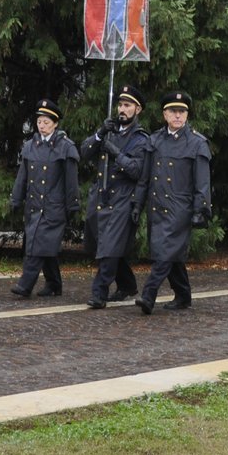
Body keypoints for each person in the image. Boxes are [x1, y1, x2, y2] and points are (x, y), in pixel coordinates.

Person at [134, 91, 212, 314]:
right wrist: (137, 205)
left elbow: (202, 182)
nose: (178, 116)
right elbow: (145, 177)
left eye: (182, 111)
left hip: (180, 208)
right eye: (173, 111)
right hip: (157, 207)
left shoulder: (197, 143)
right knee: (170, 253)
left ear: (187, 115)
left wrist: (201, 210)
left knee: (164, 252)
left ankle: (149, 295)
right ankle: (183, 295)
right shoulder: (155, 140)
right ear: (164, 114)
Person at [80, 84, 151, 308]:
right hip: (101, 196)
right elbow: (84, 153)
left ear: (137, 110)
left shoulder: (141, 139)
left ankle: (99, 294)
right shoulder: (108, 131)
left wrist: (116, 153)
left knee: (109, 248)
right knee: (100, 245)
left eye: (127, 105)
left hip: (123, 198)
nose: (122, 109)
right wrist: (100, 134)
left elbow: (138, 171)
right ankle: (128, 284)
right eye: (120, 104)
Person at [8, 98, 80, 298]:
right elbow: (22, 176)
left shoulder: (65, 147)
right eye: (39, 122)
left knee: (38, 244)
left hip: (54, 206)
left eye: (46, 122)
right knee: (42, 244)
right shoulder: (30, 146)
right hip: (34, 205)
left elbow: (71, 181)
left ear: (55, 124)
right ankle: (54, 284)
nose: (42, 126)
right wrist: (16, 199)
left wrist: (73, 204)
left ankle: (25, 284)